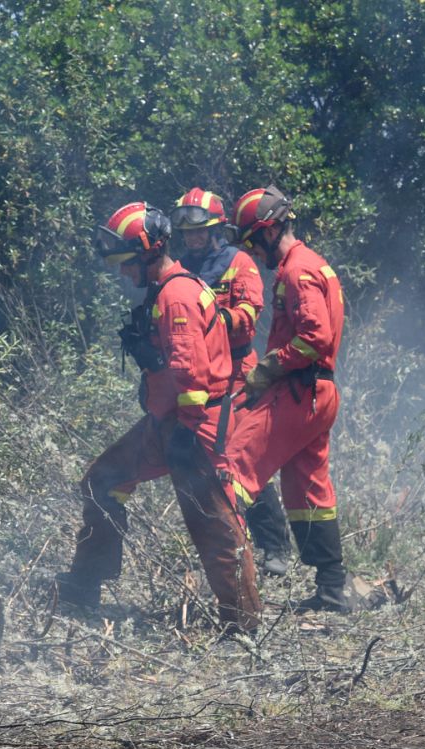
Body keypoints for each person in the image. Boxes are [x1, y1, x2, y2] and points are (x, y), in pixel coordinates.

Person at [56, 202, 261, 633]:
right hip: (167, 422)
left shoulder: (176, 295)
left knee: (212, 522)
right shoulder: (168, 290)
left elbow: (191, 370)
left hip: (193, 425)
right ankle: (85, 585)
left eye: (128, 263)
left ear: (150, 252)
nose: (124, 273)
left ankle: (243, 627)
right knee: (103, 479)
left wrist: (186, 432)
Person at [226, 186, 349, 612]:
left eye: (251, 242)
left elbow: (315, 338)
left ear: (268, 230)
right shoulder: (315, 265)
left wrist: (270, 367)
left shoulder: (296, 271)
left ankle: (234, 594)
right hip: (319, 392)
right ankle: (333, 588)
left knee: (235, 469)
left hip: (300, 391)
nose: (252, 254)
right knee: (307, 487)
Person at [171, 187, 294, 578]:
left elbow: (248, 314)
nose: (192, 239)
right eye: (187, 233)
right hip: (197, 379)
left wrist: (210, 321)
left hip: (237, 377)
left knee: (241, 461)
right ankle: (227, 544)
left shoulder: (239, 263)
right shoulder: (178, 269)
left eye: (199, 232)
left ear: (215, 231)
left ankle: (275, 548)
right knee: (202, 463)